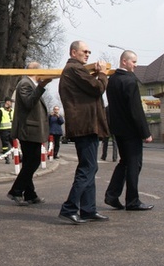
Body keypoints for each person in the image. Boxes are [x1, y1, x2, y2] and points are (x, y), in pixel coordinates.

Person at [57, 41, 109, 224]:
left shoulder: (76, 70)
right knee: (87, 167)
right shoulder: (74, 69)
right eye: (84, 51)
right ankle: (69, 207)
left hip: (85, 125)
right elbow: (97, 88)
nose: (88, 54)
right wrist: (102, 73)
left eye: (89, 51)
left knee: (90, 167)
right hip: (85, 126)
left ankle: (88, 209)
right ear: (73, 52)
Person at [104, 50, 154, 212]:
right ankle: (132, 201)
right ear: (124, 61)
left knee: (124, 162)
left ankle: (112, 195)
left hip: (118, 129)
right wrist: (145, 132)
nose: (136, 65)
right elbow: (136, 110)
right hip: (131, 131)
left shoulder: (112, 80)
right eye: (133, 62)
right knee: (134, 164)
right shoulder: (130, 81)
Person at [6, 62, 52, 206]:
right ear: (36, 72)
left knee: (28, 162)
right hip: (28, 130)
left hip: (31, 129)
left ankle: (30, 194)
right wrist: (42, 86)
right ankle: (16, 191)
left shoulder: (28, 83)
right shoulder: (25, 83)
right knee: (34, 161)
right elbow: (28, 102)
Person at [0, 98, 14, 164]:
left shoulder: (12, 110)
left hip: (11, 130)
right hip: (4, 130)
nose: (11, 104)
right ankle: (7, 158)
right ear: (7, 102)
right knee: (5, 145)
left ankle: (18, 157)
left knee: (14, 144)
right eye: (10, 102)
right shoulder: (1, 110)